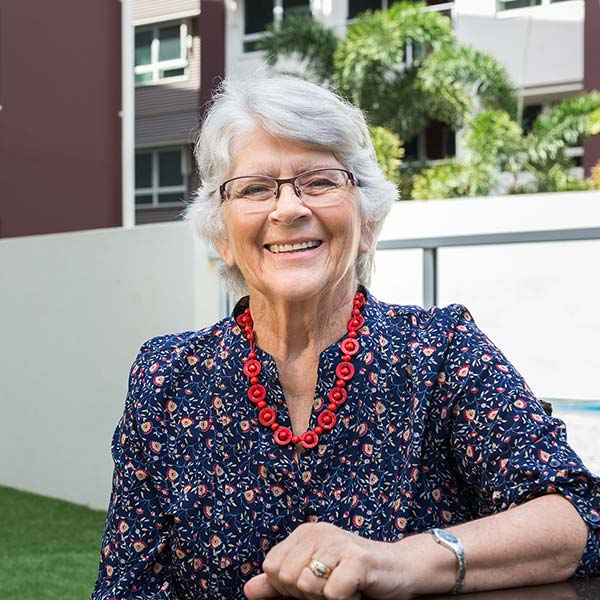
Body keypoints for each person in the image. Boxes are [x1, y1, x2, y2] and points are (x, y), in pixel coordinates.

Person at [92, 74, 600, 600]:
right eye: (255, 189)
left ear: (368, 221)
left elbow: (579, 517)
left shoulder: (442, 350)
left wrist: (401, 560)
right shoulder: (166, 377)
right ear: (223, 236)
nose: (288, 209)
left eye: (319, 181)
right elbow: (126, 588)